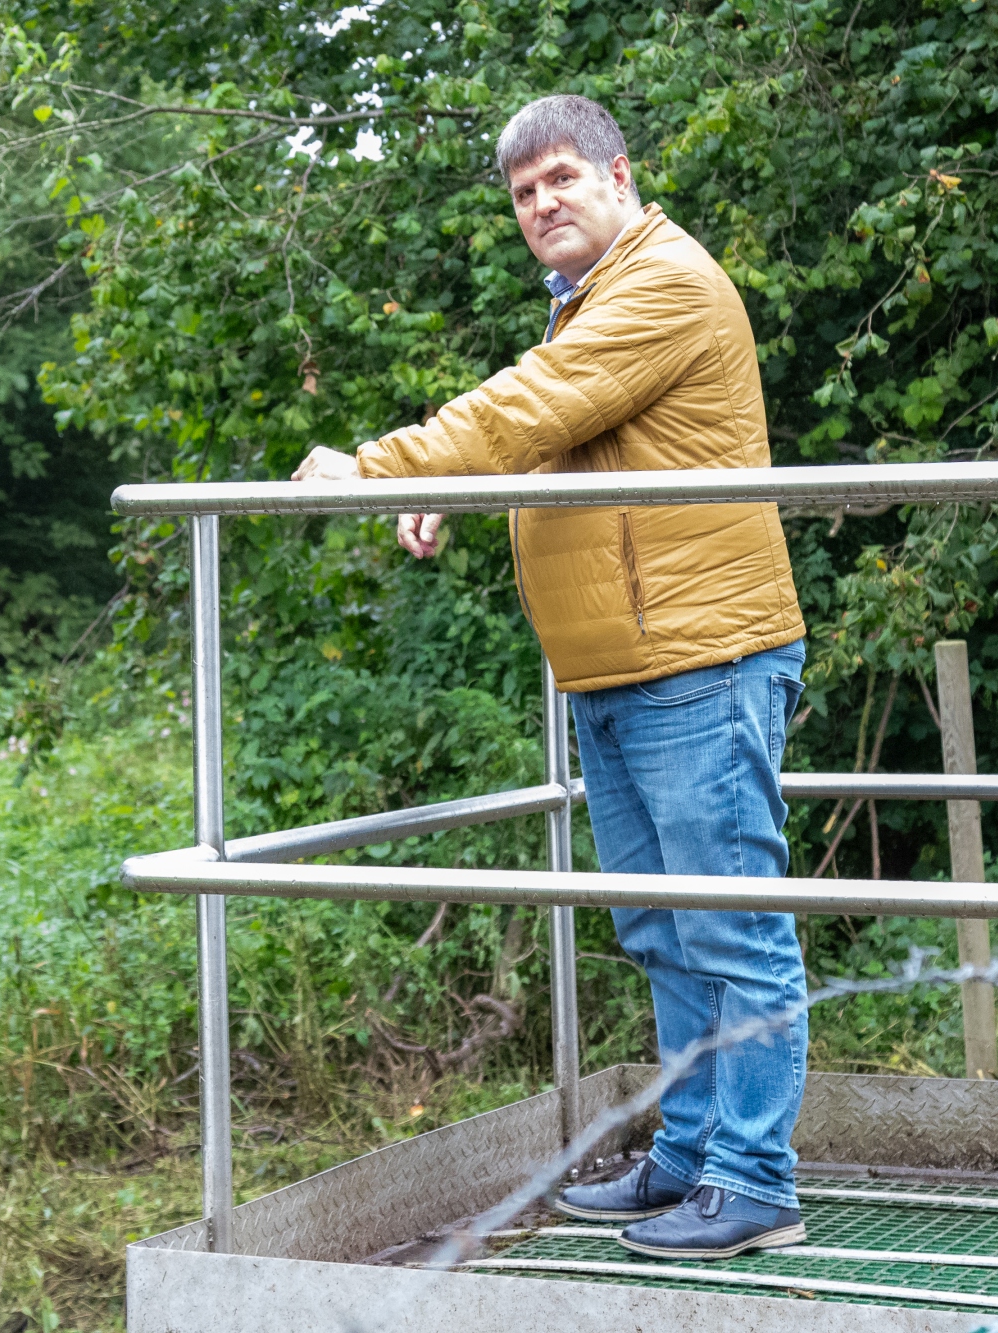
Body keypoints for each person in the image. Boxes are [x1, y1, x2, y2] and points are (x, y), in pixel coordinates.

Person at [291, 94, 810, 1262]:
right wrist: (455, 485)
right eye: (523, 195)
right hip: (619, 666)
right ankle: (687, 1153)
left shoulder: (661, 282)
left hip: (697, 656)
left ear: (620, 176)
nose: (541, 206)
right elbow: (553, 427)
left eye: (561, 179)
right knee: (661, 931)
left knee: (729, 930)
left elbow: (535, 405)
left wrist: (377, 467)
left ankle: (753, 1175)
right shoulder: (593, 304)